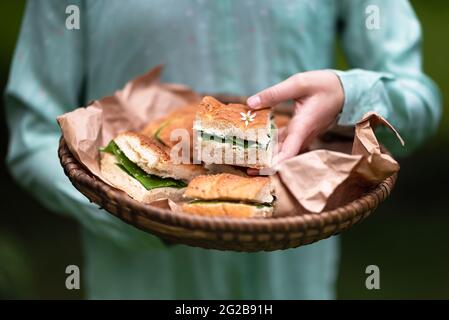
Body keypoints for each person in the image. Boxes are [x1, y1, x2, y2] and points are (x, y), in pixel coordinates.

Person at [5, 0, 441, 299]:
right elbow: (32, 134)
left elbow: (421, 103)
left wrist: (351, 92)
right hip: (138, 283)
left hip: (292, 282)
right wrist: (125, 211)